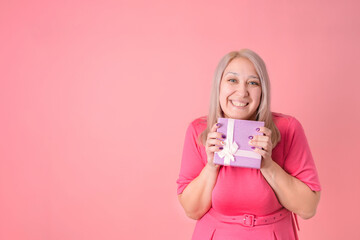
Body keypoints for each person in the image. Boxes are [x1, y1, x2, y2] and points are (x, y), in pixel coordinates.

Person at [176, 49, 321, 239]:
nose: (242, 92)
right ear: (218, 86)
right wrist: (211, 166)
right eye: (232, 80)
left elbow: (308, 208)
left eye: (253, 83)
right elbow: (192, 210)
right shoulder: (199, 131)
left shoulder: (288, 129)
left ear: (263, 92)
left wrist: (268, 165)